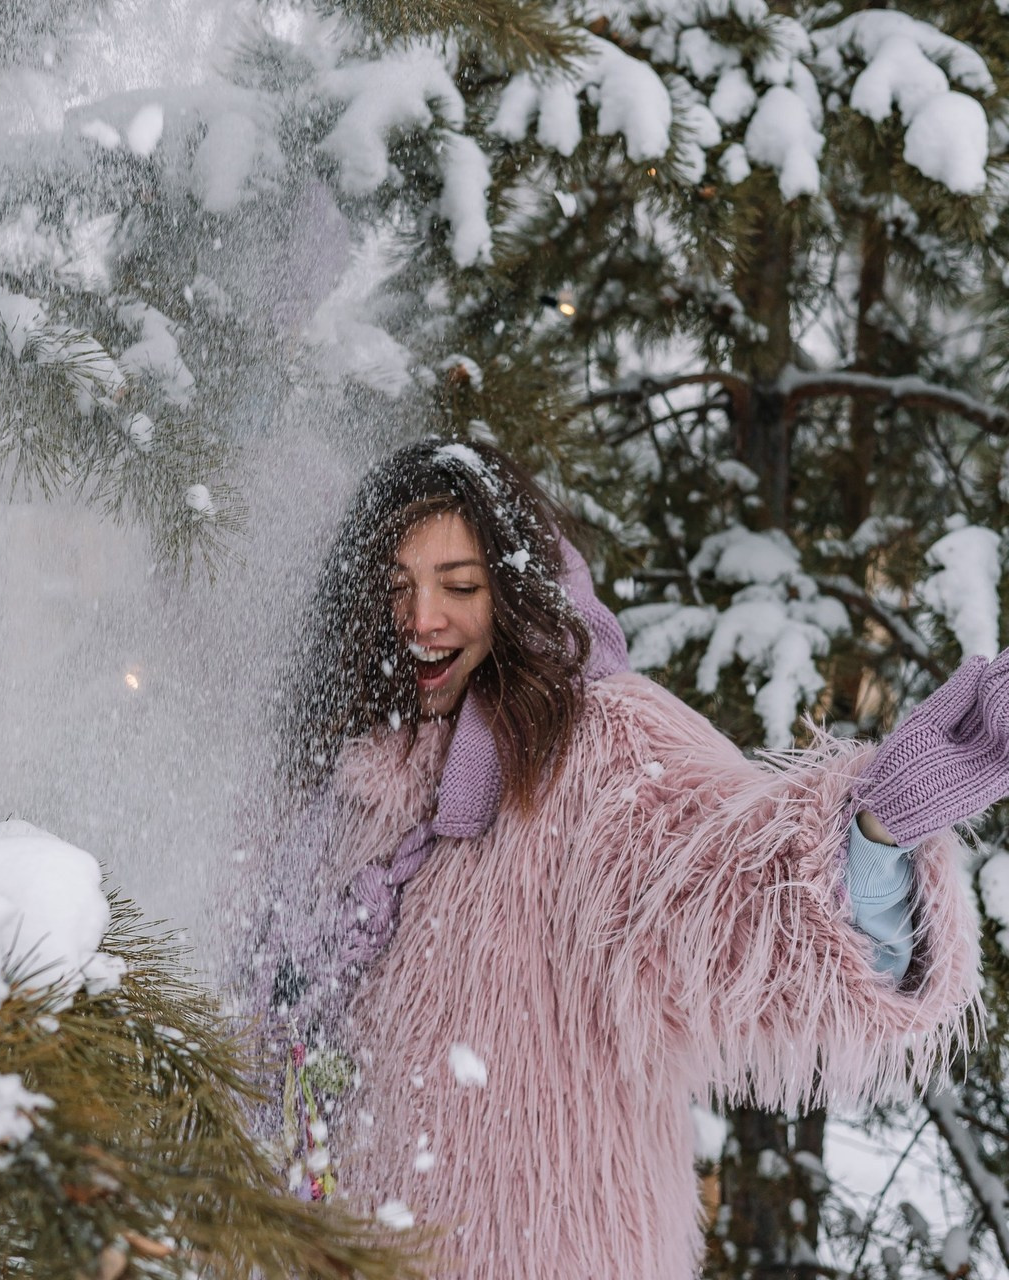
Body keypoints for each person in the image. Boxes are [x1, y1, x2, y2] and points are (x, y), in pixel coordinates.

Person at [240, 438, 993, 1278]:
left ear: (516, 589)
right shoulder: (343, 765)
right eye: (396, 588)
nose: (423, 620)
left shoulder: (597, 750)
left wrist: (879, 828)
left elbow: (739, 902)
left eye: (460, 586)